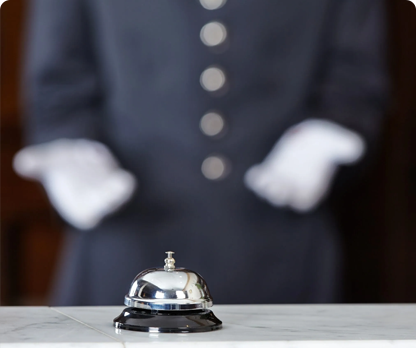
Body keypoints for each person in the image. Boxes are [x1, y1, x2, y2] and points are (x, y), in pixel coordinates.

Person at [14, 0, 388, 305]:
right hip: (122, 238)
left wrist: (322, 138)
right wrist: (72, 150)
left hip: (281, 247)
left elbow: (356, 80)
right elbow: (57, 85)